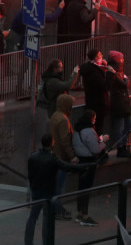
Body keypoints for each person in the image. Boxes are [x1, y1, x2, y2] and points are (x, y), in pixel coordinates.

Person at [25, 134, 89, 245]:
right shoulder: (52, 159)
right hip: (48, 193)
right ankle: (47, 242)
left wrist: (32, 186)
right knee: (47, 219)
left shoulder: (33, 157)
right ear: (52, 143)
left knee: (32, 217)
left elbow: (30, 174)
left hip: (36, 190)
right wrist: (84, 167)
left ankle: (28, 242)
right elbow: (67, 167)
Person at [71, 109, 108, 227]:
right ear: (92, 119)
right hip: (89, 162)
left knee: (81, 187)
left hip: (80, 160)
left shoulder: (77, 129)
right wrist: (104, 142)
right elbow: (95, 149)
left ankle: (79, 213)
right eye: (95, 119)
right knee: (86, 188)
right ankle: (85, 215)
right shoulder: (89, 131)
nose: (95, 121)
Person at [48, 93, 77, 221]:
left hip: (55, 154)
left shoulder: (55, 116)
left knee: (56, 185)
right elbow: (65, 140)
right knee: (59, 186)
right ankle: (57, 210)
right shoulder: (64, 120)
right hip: (62, 157)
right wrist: (72, 156)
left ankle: (56, 208)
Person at [107, 51, 131, 158]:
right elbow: (124, 84)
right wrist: (126, 79)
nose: (122, 61)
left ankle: (122, 145)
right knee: (120, 127)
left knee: (129, 125)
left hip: (123, 101)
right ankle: (121, 147)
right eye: (121, 59)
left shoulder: (117, 71)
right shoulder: (112, 72)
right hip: (119, 102)